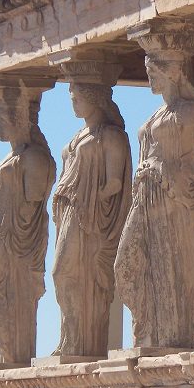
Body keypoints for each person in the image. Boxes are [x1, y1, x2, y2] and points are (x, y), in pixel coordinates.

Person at [114, 53, 194, 347]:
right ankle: (148, 330)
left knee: (172, 269)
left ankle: (171, 336)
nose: (150, 78)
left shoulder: (192, 114)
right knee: (126, 265)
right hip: (145, 198)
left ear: (172, 72)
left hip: (174, 200)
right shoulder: (157, 114)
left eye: (154, 71)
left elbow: (193, 167)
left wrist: (159, 169)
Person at [51, 82, 131, 357]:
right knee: (64, 274)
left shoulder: (111, 136)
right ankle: (70, 338)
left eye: (77, 98)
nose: (73, 104)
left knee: (66, 272)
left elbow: (115, 183)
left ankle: (83, 342)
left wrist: (88, 198)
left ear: (94, 98)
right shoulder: (78, 137)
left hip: (90, 215)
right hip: (69, 211)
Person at [0, 88, 56, 363]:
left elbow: (33, 203)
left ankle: (13, 351)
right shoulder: (14, 156)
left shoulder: (33, 157)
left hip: (14, 234)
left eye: (3, 118)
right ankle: (3, 350)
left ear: (19, 118)